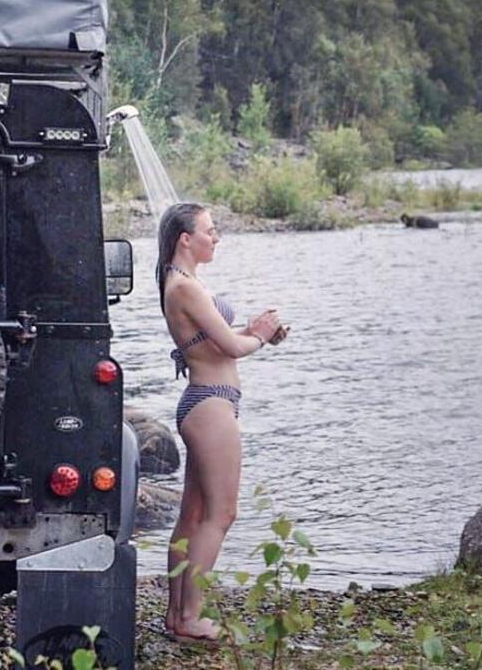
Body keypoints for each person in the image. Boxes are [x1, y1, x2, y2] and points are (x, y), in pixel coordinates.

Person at [156, 202, 286, 642]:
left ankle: (177, 616)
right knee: (221, 514)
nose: (217, 237)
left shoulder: (184, 282)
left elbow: (222, 339)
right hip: (211, 404)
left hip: (207, 402)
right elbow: (230, 347)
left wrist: (256, 331)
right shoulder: (184, 286)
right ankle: (191, 616)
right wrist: (259, 336)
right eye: (211, 231)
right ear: (185, 239)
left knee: (193, 514)